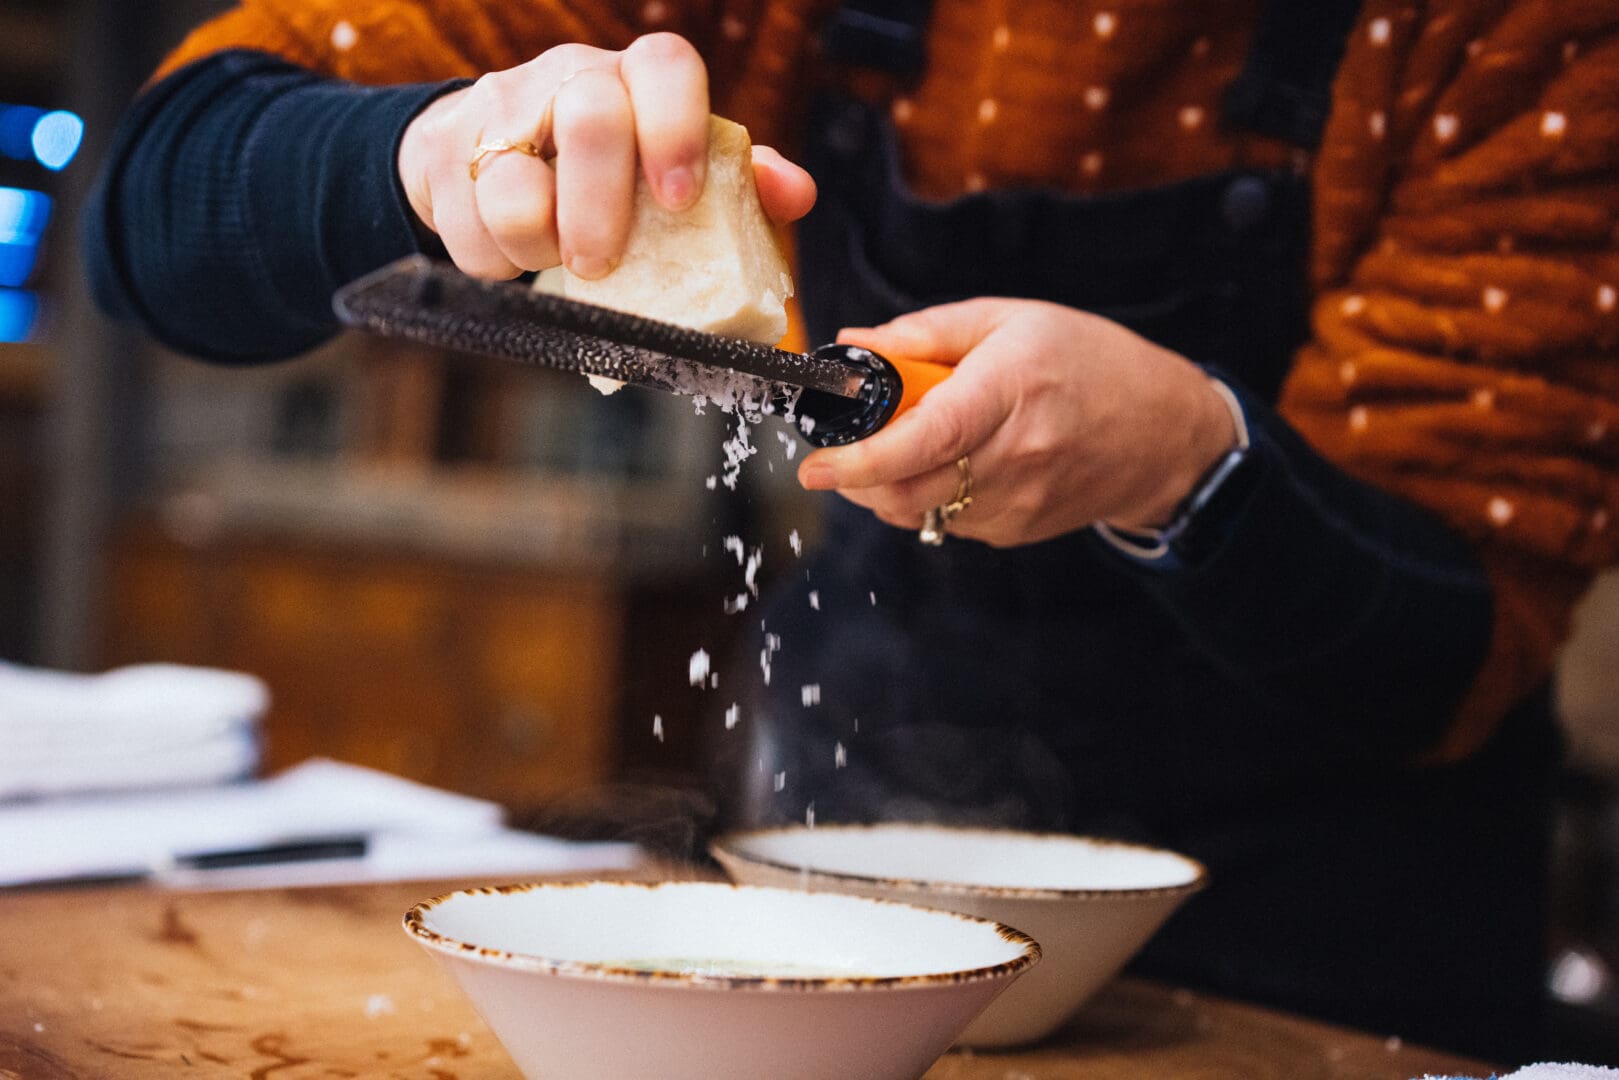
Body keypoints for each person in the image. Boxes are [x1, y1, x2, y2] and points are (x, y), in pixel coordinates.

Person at [84, 0, 1619, 1062]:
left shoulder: (1516, 36)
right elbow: (153, 213)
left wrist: (1191, 461)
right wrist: (424, 152)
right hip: (835, 919)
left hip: (1326, 972)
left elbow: (1455, 644)